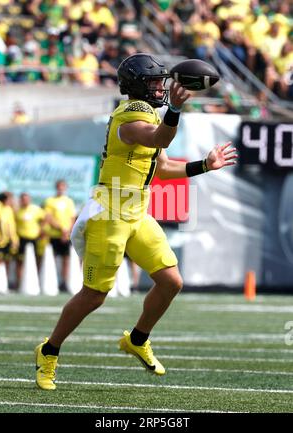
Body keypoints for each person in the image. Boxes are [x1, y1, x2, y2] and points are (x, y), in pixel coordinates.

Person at [35, 53, 238, 390]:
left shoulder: (148, 115)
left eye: (162, 81)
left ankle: (138, 338)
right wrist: (174, 109)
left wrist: (204, 164)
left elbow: (163, 165)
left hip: (136, 210)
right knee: (95, 295)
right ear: (137, 86)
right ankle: (49, 349)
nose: (161, 87)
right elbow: (160, 138)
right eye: (155, 82)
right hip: (111, 211)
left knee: (171, 281)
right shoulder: (130, 115)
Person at [44, 180, 76, 292]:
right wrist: (61, 228)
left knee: (66, 259)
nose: (61, 189)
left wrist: (67, 231)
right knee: (52, 258)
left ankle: (64, 282)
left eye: (63, 187)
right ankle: (52, 281)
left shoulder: (69, 201)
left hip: (66, 236)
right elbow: (48, 217)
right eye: (59, 187)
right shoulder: (50, 201)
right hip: (54, 235)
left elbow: (72, 217)